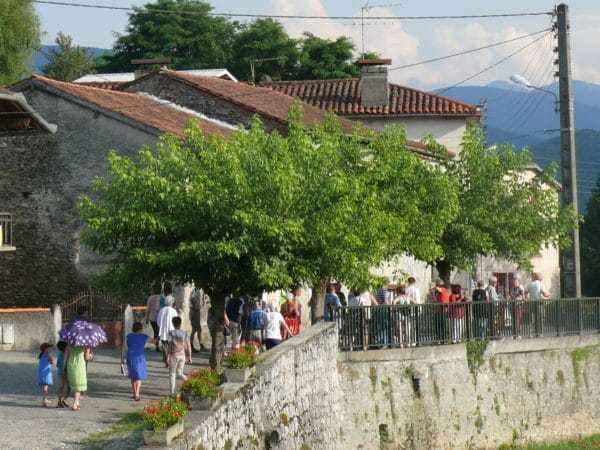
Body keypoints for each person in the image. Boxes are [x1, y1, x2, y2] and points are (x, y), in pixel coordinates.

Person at [167, 317, 192, 395]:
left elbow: (169, 345)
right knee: (180, 373)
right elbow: (188, 345)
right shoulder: (185, 333)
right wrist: (189, 356)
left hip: (173, 355)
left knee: (172, 374)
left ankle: (172, 393)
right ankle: (189, 382)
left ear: (173, 324)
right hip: (182, 355)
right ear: (180, 324)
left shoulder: (171, 333)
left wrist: (167, 356)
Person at [125, 322, 149, 401]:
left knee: (133, 375)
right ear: (141, 329)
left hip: (130, 356)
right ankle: (137, 394)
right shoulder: (144, 336)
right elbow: (154, 341)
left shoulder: (128, 336)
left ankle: (134, 393)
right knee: (138, 376)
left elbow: (125, 346)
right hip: (139, 357)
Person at [65, 344, 92, 411]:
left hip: (71, 365)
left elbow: (66, 356)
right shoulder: (86, 346)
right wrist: (90, 356)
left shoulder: (69, 345)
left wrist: (65, 366)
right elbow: (87, 358)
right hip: (79, 366)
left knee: (75, 384)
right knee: (78, 386)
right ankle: (74, 404)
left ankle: (77, 403)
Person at [157, 295, 179, 367]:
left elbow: (158, 321)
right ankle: (170, 359)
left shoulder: (162, 310)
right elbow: (176, 321)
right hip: (172, 330)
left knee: (164, 346)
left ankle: (166, 359)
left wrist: (161, 327)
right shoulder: (173, 311)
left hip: (163, 331)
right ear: (172, 302)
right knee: (171, 346)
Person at [144, 284, 162, 352]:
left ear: (153, 290)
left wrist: (146, 318)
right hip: (160, 317)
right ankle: (158, 344)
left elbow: (148, 309)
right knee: (159, 331)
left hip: (152, 318)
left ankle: (157, 345)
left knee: (156, 331)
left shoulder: (150, 298)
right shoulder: (162, 297)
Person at [38, 343, 54, 407]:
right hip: (46, 373)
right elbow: (51, 362)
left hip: (41, 372)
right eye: (49, 348)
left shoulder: (42, 354)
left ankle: (45, 399)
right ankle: (44, 401)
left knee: (45, 386)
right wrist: (51, 357)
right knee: (45, 387)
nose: (51, 349)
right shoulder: (48, 355)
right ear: (45, 349)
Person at [56, 341, 70, 408]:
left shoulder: (59, 354)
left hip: (60, 372)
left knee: (61, 387)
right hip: (66, 372)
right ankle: (64, 399)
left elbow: (57, 364)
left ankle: (59, 401)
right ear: (65, 347)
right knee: (68, 387)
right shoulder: (68, 354)